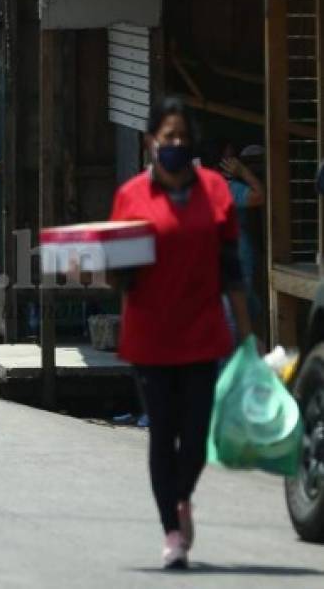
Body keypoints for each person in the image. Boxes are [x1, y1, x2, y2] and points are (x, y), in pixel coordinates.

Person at [109, 96, 253, 570]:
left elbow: (231, 270)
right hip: (149, 336)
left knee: (193, 439)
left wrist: (247, 337)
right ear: (151, 141)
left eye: (182, 138)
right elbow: (118, 272)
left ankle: (182, 495)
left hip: (202, 334)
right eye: (167, 136)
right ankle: (171, 530)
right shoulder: (130, 196)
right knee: (161, 435)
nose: (174, 144)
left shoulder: (215, 192)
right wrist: (91, 265)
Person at [220, 143, 265, 333]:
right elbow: (260, 195)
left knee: (250, 307)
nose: (233, 164)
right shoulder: (227, 187)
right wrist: (243, 172)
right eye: (229, 161)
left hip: (240, 255)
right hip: (236, 257)